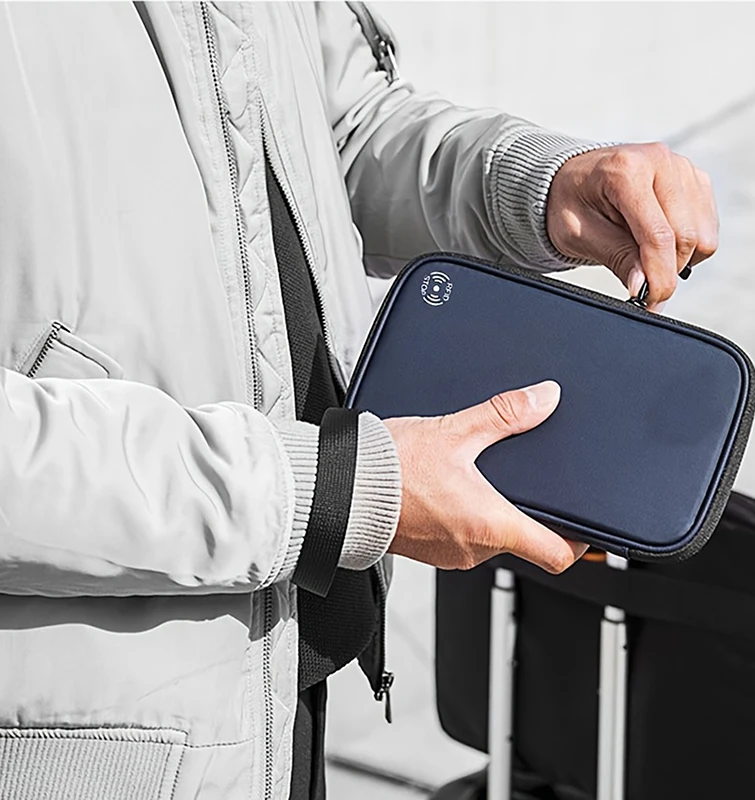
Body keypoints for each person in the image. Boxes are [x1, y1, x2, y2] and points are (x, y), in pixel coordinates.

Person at [0, 3, 717, 799]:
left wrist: (538, 186)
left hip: (272, 674)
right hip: (81, 731)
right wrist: (332, 490)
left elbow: (329, 127)